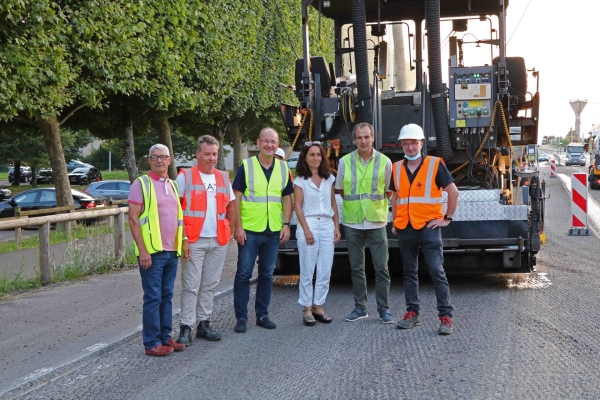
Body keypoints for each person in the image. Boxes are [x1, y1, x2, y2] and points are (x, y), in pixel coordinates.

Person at [391, 123, 459, 335]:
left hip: (429, 228)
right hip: (405, 229)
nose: (410, 147)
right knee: (409, 273)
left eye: (414, 143)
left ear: (421, 143)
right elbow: (395, 197)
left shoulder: (435, 164)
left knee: (437, 272)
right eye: (406, 143)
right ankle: (412, 313)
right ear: (401, 145)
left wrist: (446, 218)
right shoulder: (396, 167)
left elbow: (453, 192)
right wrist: (395, 221)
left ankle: (446, 317)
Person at [175, 135, 236, 344]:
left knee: (210, 284)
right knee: (191, 285)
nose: (211, 158)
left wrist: (231, 231)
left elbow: (231, 206)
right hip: (193, 239)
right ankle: (185, 327)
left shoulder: (222, 177)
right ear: (198, 154)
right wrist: (182, 239)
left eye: (215, 154)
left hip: (218, 239)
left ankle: (204, 323)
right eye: (207, 154)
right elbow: (176, 210)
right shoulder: (185, 177)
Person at [232, 128, 293, 333]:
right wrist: (237, 227)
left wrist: (286, 224)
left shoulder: (283, 169)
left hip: (273, 230)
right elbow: (236, 198)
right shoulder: (246, 166)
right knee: (243, 274)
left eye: (273, 142)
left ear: (278, 145)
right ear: (258, 143)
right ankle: (241, 318)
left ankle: (262, 315)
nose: (269, 145)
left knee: (267, 275)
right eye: (265, 141)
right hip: (249, 230)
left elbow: (286, 198)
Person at [128, 144, 186, 356]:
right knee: (153, 297)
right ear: (149, 160)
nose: (159, 160)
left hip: (172, 251)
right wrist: (143, 251)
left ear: (170, 160)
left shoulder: (173, 185)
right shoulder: (141, 184)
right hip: (152, 252)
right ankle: (151, 343)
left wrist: (184, 242)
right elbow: (133, 219)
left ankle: (164, 336)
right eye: (155, 157)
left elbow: (179, 218)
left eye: (163, 157)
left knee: (167, 295)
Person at [335, 122, 394, 324]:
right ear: (354, 139)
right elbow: (340, 189)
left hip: (376, 221)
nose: (363, 141)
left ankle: (383, 309)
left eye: (367, 137)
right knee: (356, 268)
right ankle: (360, 308)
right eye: (359, 137)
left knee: (382, 268)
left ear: (373, 138)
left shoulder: (385, 162)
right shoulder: (344, 161)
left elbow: (388, 190)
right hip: (353, 221)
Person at [294, 141, 341, 326]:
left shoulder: (329, 178)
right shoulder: (300, 180)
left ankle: (318, 305)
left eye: (318, 154)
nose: (315, 158)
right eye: (311, 154)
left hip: (327, 224)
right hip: (310, 222)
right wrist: (306, 229)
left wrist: (336, 226)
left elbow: (333, 203)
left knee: (325, 268)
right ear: (305, 158)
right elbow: (297, 206)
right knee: (307, 268)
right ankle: (306, 307)